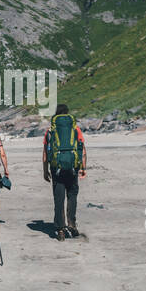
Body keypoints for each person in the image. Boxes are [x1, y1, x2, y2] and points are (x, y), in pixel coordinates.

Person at [43, 103, 85, 240]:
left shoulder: (51, 131)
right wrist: (83, 167)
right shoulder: (75, 129)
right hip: (73, 167)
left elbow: (45, 152)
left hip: (57, 167)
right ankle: (71, 223)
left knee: (59, 198)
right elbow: (82, 148)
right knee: (72, 195)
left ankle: (60, 229)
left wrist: (45, 170)